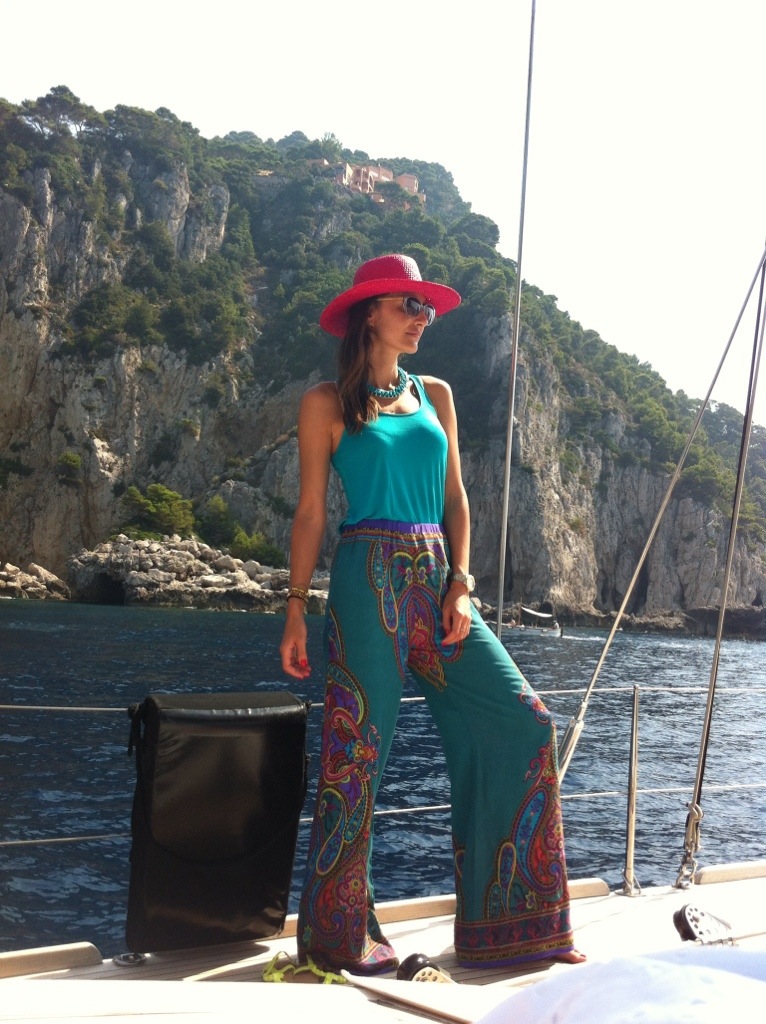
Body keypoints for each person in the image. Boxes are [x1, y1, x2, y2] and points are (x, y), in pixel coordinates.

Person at [279, 253, 584, 974]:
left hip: (437, 579)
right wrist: (294, 608)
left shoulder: (436, 393)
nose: (423, 317)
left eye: (427, 308)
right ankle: (340, 939)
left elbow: (455, 499)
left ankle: (514, 923)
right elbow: (312, 511)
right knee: (357, 753)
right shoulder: (325, 403)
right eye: (408, 305)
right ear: (369, 314)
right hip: (365, 581)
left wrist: (462, 582)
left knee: (524, 720)